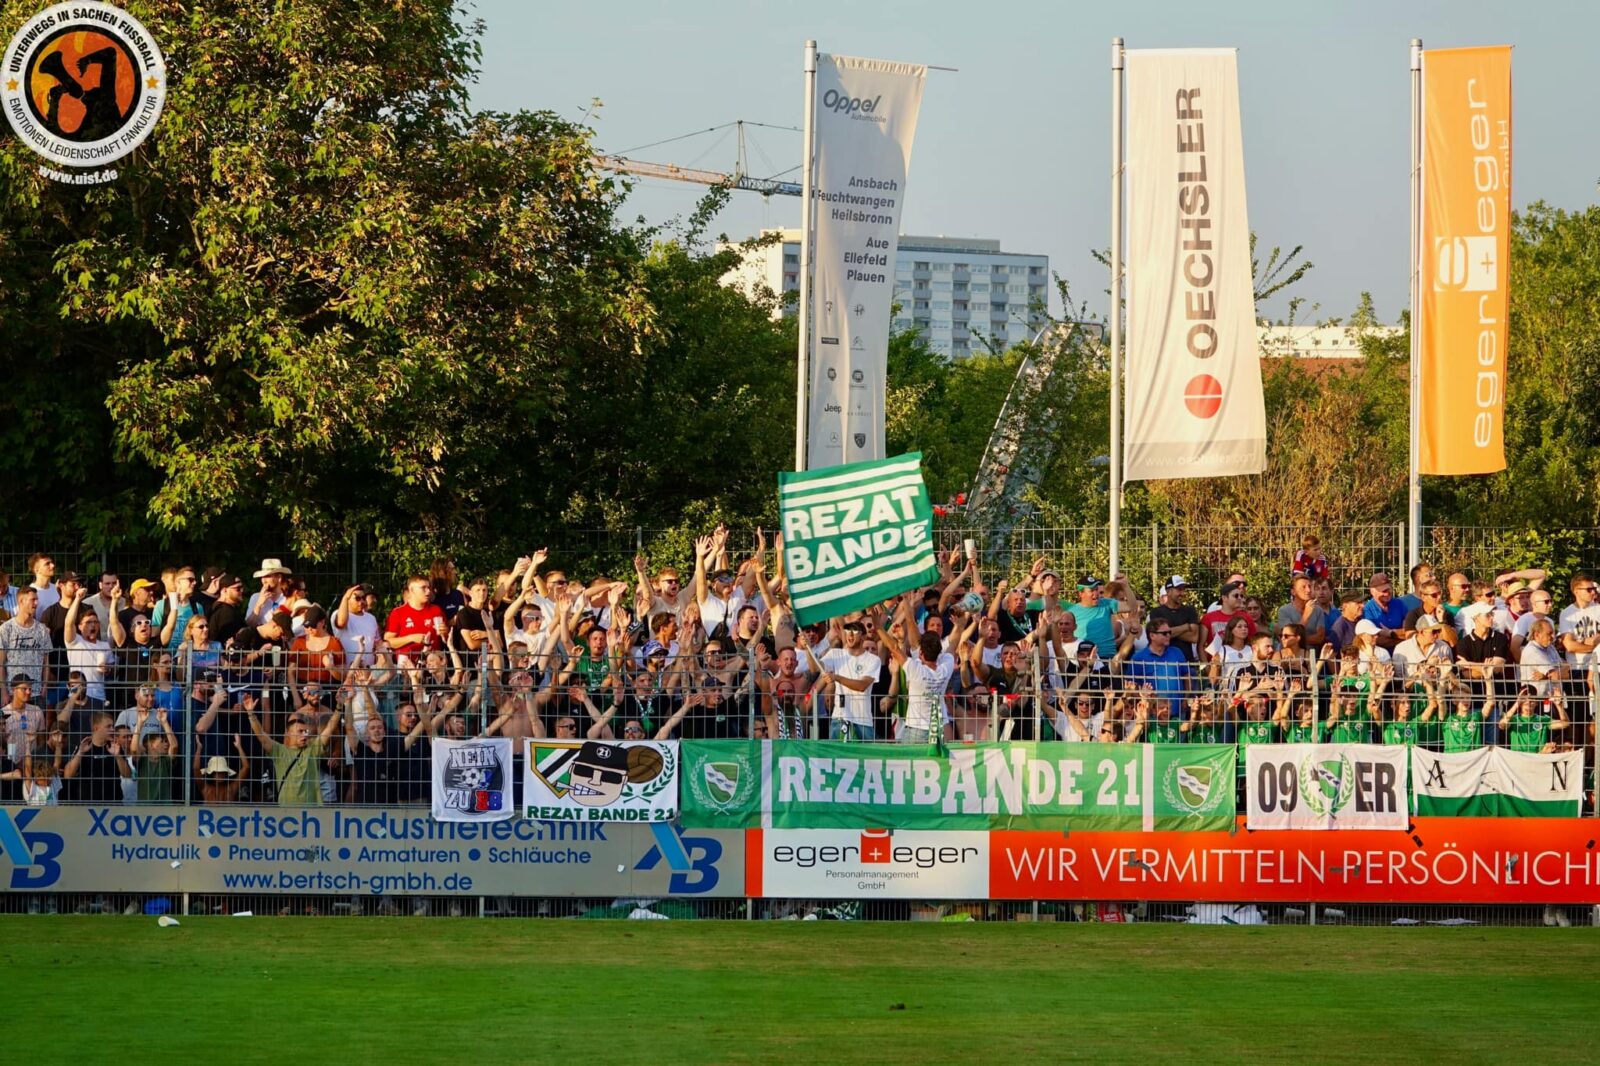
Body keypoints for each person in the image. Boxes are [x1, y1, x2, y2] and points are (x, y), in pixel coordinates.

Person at [878, 591, 954, 745]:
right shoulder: (947, 664)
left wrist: (878, 626)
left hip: (916, 730)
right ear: (940, 651)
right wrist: (959, 624)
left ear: (920, 653)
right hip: (938, 728)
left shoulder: (915, 669)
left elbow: (892, 647)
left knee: (910, 767)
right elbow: (953, 645)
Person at [243, 699, 342, 806]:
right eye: (300, 731)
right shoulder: (279, 751)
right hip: (287, 811)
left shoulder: (312, 749)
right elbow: (261, 736)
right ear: (289, 733)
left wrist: (339, 706)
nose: (305, 735)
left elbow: (330, 728)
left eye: (306, 731)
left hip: (312, 812)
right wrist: (251, 714)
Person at [799, 619, 881, 741]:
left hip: (863, 720)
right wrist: (807, 649)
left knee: (867, 760)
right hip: (839, 718)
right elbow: (815, 668)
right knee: (836, 759)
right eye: (848, 630)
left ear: (863, 636)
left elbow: (862, 686)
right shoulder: (835, 654)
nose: (850, 634)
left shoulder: (873, 660)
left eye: (855, 631)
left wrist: (836, 677)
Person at [1125, 621, 1191, 718]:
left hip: (1177, 712)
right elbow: (1132, 686)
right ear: (1152, 635)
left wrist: (1186, 698)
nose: (1168, 635)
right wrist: (1144, 700)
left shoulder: (1177, 652)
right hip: (1152, 714)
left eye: (1169, 632)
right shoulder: (1138, 658)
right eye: (1164, 633)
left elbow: (1186, 675)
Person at [61, 711, 130, 804]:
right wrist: (80, 753)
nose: (113, 729)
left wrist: (118, 756)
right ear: (96, 728)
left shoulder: (115, 747)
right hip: (87, 805)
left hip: (113, 804)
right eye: (108, 726)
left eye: (112, 726)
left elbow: (127, 775)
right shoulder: (84, 746)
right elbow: (68, 775)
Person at [384, 575, 446, 664]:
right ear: (412, 590)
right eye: (423, 588)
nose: (428, 591)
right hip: (407, 667)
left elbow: (447, 638)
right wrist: (411, 638)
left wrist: (445, 631)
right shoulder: (398, 613)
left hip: (432, 667)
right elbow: (388, 642)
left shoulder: (436, 610)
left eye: (429, 587)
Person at [0, 588, 52, 690]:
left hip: (36, 691)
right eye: (33, 599)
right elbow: (1, 663)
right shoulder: (6, 628)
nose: (36, 603)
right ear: (21, 601)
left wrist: (45, 686)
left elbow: (46, 663)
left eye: (37, 599)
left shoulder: (42, 629)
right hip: (13, 693)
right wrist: (3, 691)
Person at [130, 707, 178, 804]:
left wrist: (164, 722)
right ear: (151, 745)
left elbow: (174, 746)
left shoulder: (166, 761)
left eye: (166, 741)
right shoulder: (142, 761)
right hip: (145, 809)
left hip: (165, 808)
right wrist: (139, 723)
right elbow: (134, 750)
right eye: (162, 742)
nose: (166, 744)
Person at [1147, 577, 1201, 661]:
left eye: (1184, 590)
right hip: (1163, 663)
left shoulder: (1190, 610)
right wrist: (1185, 627)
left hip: (1186, 663)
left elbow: (1194, 637)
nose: (1182, 593)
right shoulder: (1156, 612)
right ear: (1168, 591)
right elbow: (1158, 636)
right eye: (1179, 590)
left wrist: (1168, 632)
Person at [1067, 575, 1121, 658]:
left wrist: (1126, 586)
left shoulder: (1107, 603)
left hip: (1107, 658)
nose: (1096, 593)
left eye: (1096, 589)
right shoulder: (1071, 612)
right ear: (1081, 593)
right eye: (1091, 590)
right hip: (1084, 659)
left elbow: (1132, 607)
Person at [1274, 575, 1327, 649]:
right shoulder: (1284, 611)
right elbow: (1288, 638)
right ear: (1293, 592)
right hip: (1292, 657)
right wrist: (1306, 615)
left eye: (1309, 586)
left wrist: (1297, 640)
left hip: (1312, 657)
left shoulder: (1318, 610)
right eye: (1303, 587)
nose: (1308, 590)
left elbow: (1320, 638)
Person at [1360, 572, 1408, 648]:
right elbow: (1376, 640)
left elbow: (1409, 632)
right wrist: (1400, 637)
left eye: (1388, 589)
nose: (1387, 594)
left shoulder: (1399, 604)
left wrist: (1390, 633)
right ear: (1372, 591)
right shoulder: (1367, 611)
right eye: (1383, 591)